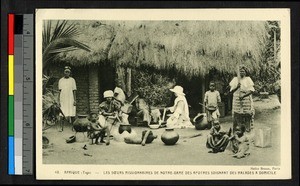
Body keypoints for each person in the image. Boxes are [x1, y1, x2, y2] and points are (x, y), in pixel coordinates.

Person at [229, 65, 255, 132]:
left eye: (243, 71)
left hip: (246, 99)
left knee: (247, 114)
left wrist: (244, 96)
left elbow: (251, 90)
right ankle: (238, 129)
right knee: (237, 114)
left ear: (245, 72)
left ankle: (247, 129)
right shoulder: (235, 79)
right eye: (240, 71)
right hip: (237, 100)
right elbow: (231, 91)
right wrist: (237, 87)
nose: (242, 73)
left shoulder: (248, 79)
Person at [57, 66, 77, 132]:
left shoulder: (72, 80)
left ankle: (73, 127)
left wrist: (75, 100)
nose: (67, 73)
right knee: (62, 113)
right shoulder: (61, 80)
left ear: (70, 73)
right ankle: (61, 127)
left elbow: (74, 90)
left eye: (68, 72)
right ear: (64, 72)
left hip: (70, 98)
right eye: (66, 72)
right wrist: (58, 101)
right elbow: (59, 91)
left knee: (72, 113)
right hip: (63, 99)